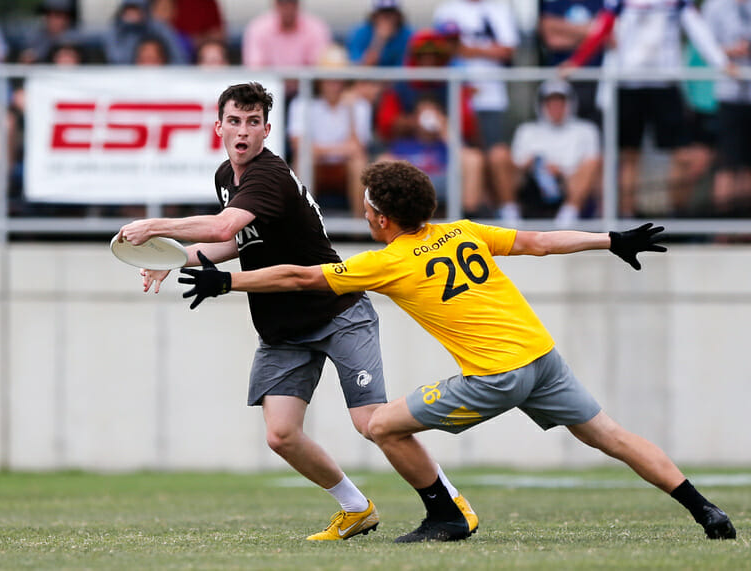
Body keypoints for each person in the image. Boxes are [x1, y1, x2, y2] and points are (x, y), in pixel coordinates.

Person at [180, 159, 738, 543]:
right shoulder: (465, 230)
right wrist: (612, 239)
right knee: (611, 435)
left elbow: (303, 278)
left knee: (380, 425)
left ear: (380, 217)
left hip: (496, 377)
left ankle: (445, 515)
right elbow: (541, 243)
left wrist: (228, 283)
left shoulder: (386, 261)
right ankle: (704, 509)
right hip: (543, 358)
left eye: (368, 209)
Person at [116, 83, 476, 542]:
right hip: (284, 326)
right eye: (234, 121)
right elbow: (234, 239)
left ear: (267, 129)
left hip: (338, 310)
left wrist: (153, 226)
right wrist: (176, 258)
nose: (242, 131)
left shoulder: (269, 174)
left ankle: (448, 504)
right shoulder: (227, 175)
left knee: (371, 423)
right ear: (218, 127)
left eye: (252, 122)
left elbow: (224, 224)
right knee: (282, 435)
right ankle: (355, 509)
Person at [561, 0, 737, 217]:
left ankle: (676, 217)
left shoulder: (676, 3)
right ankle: (627, 217)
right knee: (628, 155)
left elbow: (697, 29)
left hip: (664, 83)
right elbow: (603, 27)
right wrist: (577, 62)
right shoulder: (620, 3)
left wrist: (722, 63)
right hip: (629, 82)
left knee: (682, 154)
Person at [374, 28, 486, 217]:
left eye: (434, 56)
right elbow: (385, 126)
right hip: (409, 151)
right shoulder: (401, 85)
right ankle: (385, 227)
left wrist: (443, 125)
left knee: (473, 160)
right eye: (423, 56)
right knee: (382, 162)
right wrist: (413, 122)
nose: (429, 62)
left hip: (445, 149)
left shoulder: (452, 82)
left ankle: (469, 222)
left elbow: (468, 127)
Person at [433, 0, 522, 223]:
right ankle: (473, 214)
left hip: (490, 97)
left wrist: (466, 50)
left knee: (495, 155)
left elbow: (508, 50)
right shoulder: (446, 10)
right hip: (452, 96)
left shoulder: (498, 9)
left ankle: (507, 211)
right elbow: (438, 49)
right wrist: (482, 51)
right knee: (469, 157)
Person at [287, 44, 371, 217]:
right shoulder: (302, 103)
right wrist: (335, 150)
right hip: (316, 165)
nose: (333, 83)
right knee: (303, 161)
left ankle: (359, 230)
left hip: (344, 168)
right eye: (329, 77)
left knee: (359, 164)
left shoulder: (359, 106)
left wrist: (350, 112)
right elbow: (299, 145)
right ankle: (304, 229)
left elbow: (358, 148)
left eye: (338, 77)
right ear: (320, 79)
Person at [511, 79, 601, 225]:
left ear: (570, 104)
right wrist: (533, 165)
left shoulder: (587, 130)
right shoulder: (526, 130)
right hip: (532, 185)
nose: (556, 107)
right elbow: (517, 163)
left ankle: (567, 218)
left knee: (593, 163)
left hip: (568, 184)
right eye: (551, 103)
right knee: (499, 155)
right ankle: (510, 217)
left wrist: (561, 171)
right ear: (541, 105)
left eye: (561, 102)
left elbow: (591, 164)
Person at [702, 0, 751, 216]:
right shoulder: (715, 6)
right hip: (729, 93)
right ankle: (723, 228)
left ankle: (744, 228)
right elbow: (703, 46)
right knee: (727, 164)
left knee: (748, 166)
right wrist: (730, 53)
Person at [242, 0, 332, 98]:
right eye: (282, 2)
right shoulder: (258, 28)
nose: (288, 7)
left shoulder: (316, 27)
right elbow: (255, 70)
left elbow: (319, 68)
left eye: (292, 2)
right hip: (267, 93)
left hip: (307, 93)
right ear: (275, 4)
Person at [538, 0, 605, 126]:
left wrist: (564, 30)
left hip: (593, 78)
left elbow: (609, 37)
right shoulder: (555, 3)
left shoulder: (600, 3)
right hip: (561, 76)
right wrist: (593, 36)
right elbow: (551, 39)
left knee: (591, 128)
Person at [102, 0, 188, 65]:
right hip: (129, 78)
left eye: (136, 10)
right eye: (129, 10)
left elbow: (179, 58)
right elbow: (115, 60)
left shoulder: (160, 28)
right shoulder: (115, 30)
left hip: (162, 77)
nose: (132, 15)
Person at [346, 0, 413, 67]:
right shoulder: (360, 34)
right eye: (382, 13)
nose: (387, 17)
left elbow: (410, 68)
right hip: (369, 76)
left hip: (400, 77)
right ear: (374, 15)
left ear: (398, 15)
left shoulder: (408, 35)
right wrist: (379, 40)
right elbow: (361, 67)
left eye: (391, 12)